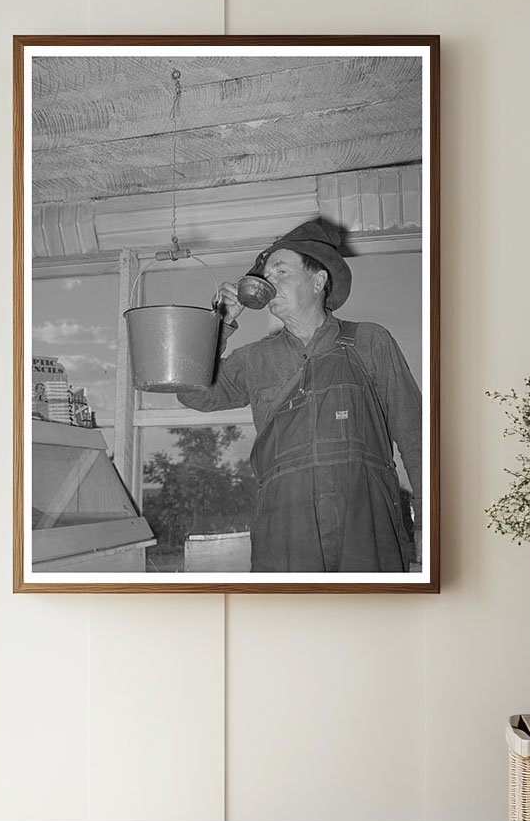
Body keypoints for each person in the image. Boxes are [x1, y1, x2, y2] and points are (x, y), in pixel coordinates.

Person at [177, 218, 422, 572]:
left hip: (367, 526)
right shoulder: (255, 359)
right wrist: (220, 324)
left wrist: (429, 523)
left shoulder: (370, 342)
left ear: (318, 280)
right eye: (267, 276)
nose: (269, 282)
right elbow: (192, 393)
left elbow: (415, 435)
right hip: (285, 532)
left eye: (281, 272)